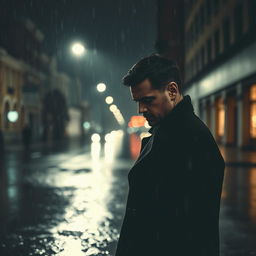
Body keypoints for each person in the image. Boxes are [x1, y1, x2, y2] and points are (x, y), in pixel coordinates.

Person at [115, 54, 225, 256]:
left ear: (172, 91)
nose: (141, 109)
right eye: (138, 101)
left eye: (148, 100)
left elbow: (189, 230)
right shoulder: (168, 131)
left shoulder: (190, 139)